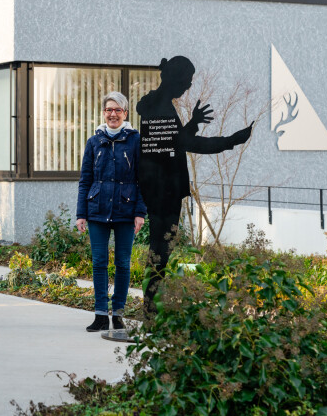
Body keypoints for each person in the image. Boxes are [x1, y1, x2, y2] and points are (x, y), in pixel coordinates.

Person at [137, 56, 252, 314]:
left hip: (163, 189)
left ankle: (151, 306)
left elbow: (175, 141)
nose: (189, 87)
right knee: (160, 249)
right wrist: (231, 140)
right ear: (176, 79)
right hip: (163, 191)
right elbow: (188, 144)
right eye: (188, 81)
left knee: (161, 248)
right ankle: (150, 308)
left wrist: (193, 123)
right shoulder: (161, 107)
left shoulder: (160, 105)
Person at [76, 91, 147, 332]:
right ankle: (99, 315)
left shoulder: (136, 140)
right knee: (98, 263)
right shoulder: (94, 141)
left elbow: (143, 180)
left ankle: (117, 314)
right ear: (104, 113)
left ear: (125, 113)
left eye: (117, 110)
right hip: (97, 210)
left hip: (126, 211)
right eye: (109, 110)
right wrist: (81, 213)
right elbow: (85, 180)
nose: (112, 114)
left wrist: (140, 212)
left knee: (124, 263)